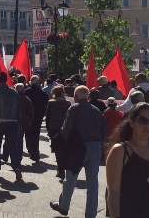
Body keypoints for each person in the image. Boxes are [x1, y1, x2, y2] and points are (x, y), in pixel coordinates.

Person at [106, 102, 149, 218]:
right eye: (142, 120)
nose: (147, 125)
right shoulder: (120, 151)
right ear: (132, 123)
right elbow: (113, 192)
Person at [50, 86, 108, 218]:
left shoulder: (74, 108)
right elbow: (105, 131)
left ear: (75, 97)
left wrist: (60, 144)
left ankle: (64, 206)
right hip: (96, 146)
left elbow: (66, 130)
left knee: (70, 178)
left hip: (78, 148)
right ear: (87, 97)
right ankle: (90, 214)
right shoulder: (96, 110)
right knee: (92, 183)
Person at [0, 72, 23, 180]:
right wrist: (19, 123)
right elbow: (19, 109)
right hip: (12, 121)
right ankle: (16, 167)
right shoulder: (14, 93)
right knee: (12, 146)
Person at [46, 84, 72, 179]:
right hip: (65, 128)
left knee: (57, 149)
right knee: (65, 148)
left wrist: (48, 129)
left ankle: (60, 169)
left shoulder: (51, 102)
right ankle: (64, 167)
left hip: (54, 128)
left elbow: (48, 117)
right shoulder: (68, 103)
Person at [25, 75, 49, 162]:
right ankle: (35, 151)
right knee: (35, 134)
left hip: (28, 116)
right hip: (38, 116)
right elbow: (47, 104)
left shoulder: (26, 92)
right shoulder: (41, 93)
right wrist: (43, 113)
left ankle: (31, 150)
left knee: (28, 134)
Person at [14, 82, 34, 167]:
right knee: (19, 141)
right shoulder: (25, 98)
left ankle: (8, 155)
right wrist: (30, 120)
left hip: (12, 121)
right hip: (22, 122)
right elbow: (31, 110)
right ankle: (18, 159)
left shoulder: (12, 98)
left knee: (11, 140)